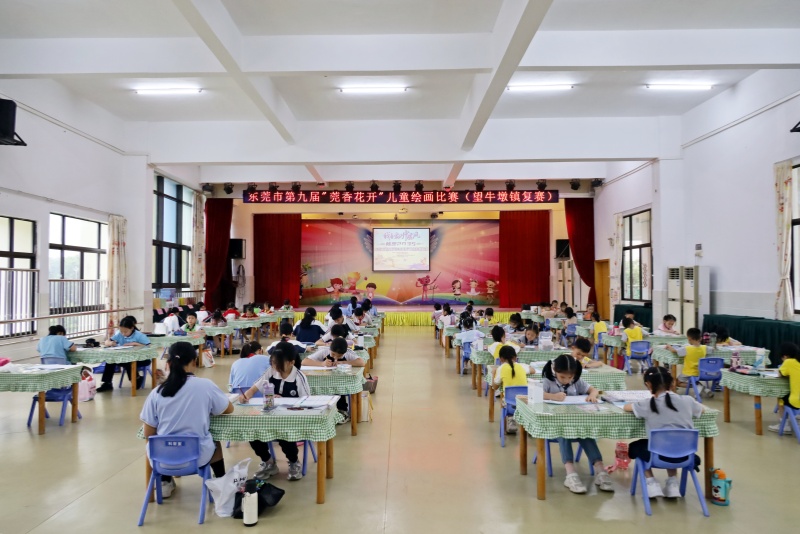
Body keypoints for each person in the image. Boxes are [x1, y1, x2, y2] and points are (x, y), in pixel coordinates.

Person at [141, 342, 233, 497]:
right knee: (214, 441)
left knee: (161, 440)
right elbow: (228, 409)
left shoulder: (157, 392)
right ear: (193, 361)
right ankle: (221, 482)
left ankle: (164, 481)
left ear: (169, 364)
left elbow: (148, 433)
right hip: (196, 458)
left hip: (161, 461)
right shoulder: (205, 386)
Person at [623, 366, 704, 498]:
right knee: (673, 442)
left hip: (657, 456)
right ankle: (672, 483)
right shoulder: (688, 401)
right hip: (686, 456)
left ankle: (651, 482)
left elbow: (627, 407)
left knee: (636, 446)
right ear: (672, 383)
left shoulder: (647, 404)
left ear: (648, 385)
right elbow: (702, 410)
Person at [541, 355, 613, 494]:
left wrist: (592, 395)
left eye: (570, 377)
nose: (567, 380)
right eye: (563, 377)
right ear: (554, 370)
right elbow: (535, 394)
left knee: (585, 433)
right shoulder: (548, 381)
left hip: (576, 421)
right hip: (555, 424)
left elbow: (594, 389)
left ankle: (600, 470)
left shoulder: (576, 381)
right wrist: (552, 396)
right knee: (564, 431)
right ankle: (570, 474)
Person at [239, 348, 309, 481]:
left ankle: (294, 462)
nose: (274, 366)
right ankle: (268, 462)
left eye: (278, 363)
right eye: (273, 363)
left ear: (290, 363)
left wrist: (282, 400)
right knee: (252, 430)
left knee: (284, 432)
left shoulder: (299, 377)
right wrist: (246, 396)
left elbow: (306, 401)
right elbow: (254, 388)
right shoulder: (271, 372)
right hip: (269, 416)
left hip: (290, 419)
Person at [302, 338, 363, 423]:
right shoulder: (324, 351)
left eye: (339, 356)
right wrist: (322, 364)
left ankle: (342, 410)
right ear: (330, 349)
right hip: (323, 381)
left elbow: (361, 362)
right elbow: (304, 361)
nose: (335, 358)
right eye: (333, 354)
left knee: (339, 389)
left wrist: (342, 362)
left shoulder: (348, 353)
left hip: (340, 382)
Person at [98, 316, 152, 393]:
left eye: (125, 332)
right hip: (125, 357)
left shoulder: (139, 335)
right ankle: (107, 383)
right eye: (121, 331)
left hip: (143, 358)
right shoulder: (119, 334)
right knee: (110, 360)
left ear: (132, 328)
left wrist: (135, 343)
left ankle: (136, 379)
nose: (123, 334)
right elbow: (107, 342)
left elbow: (149, 346)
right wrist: (111, 343)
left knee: (128, 361)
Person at [493, 345, 532, 433]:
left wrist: (493, 373)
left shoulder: (501, 368)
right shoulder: (521, 366)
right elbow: (532, 370)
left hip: (510, 406)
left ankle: (511, 420)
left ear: (501, 359)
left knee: (506, 400)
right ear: (515, 357)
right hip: (526, 404)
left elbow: (495, 387)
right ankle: (527, 424)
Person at [769, 342, 800, 434]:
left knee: (781, 396)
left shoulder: (789, 362)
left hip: (797, 400)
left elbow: (780, 374)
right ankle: (796, 418)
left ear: (785, 356)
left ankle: (785, 424)